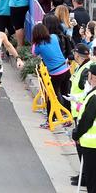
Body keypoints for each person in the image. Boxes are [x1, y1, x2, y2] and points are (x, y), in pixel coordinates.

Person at [31, 22, 71, 127]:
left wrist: (34, 42)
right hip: (66, 69)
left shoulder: (38, 45)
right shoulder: (53, 37)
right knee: (65, 93)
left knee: (52, 96)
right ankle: (68, 117)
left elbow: (34, 54)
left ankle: (50, 120)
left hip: (56, 73)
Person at [69, 44, 92, 187]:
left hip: (82, 111)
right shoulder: (82, 67)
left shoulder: (86, 70)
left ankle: (85, 176)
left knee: (81, 146)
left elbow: (86, 90)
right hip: (78, 111)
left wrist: (76, 99)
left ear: (77, 55)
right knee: (80, 146)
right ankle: (83, 173)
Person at [72, 63, 96, 193]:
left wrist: (76, 134)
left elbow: (87, 120)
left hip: (92, 145)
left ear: (93, 77)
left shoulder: (94, 96)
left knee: (92, 182)